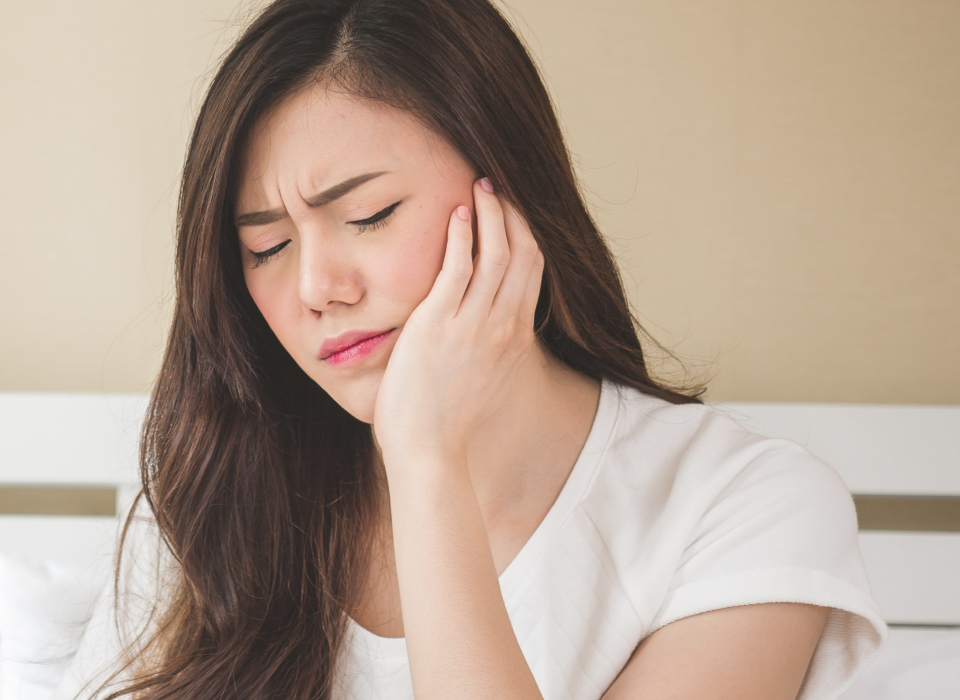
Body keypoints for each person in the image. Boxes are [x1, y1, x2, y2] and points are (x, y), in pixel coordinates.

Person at [57, 0, 885, 698]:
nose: (316, 286)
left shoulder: (743, 507)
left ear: (509, 188)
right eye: (267, 248)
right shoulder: (217, 490)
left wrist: (426, 458)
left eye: (370, 216)